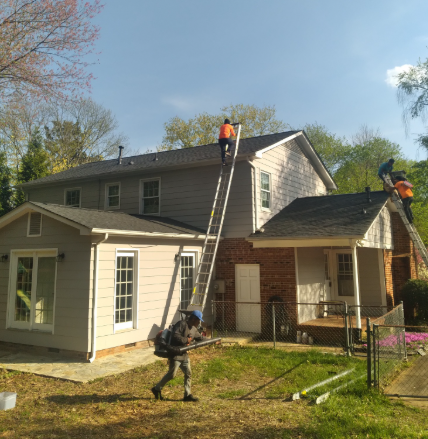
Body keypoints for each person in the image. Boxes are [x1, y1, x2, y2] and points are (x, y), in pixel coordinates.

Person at [151, 310, 206, 402]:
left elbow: (200, 338)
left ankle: (187, 395)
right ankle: (156, 389)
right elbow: (175, 336)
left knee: (188, 374)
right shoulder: (181, 324)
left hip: (184, 354)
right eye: (198, 320)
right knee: (172, 375)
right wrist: (186, 340)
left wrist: (213, 340)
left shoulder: (193, 329)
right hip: (175, 353)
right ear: (193, 319)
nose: (199, 323)